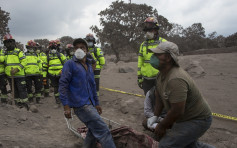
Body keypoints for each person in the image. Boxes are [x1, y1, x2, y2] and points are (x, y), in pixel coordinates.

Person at [148, 41, 214, 148]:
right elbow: (159, 96)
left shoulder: (176, 78)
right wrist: (155, 116)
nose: (153, 57)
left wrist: (162, 125)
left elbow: (177, 110)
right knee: (186, 144)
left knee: (165, 146)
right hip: (184, 118)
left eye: (157, 54)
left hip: (197, 119)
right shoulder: (161, 74)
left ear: (168, 58)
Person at [59, 38, 116, 148]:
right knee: (104, 130)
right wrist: (66, 107)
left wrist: (97, 103)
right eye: (76, 48)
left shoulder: (89, 66)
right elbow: (63, 85)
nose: (79, 50)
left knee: (93, 131)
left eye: (82, 47)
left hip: (89, 104)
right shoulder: (69, 64)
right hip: (80, 105)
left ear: (87, 50)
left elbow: (93, 86)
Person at [137, 17, 167, 95]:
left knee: (162, 102)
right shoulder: (143, 45)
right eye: (146, 31)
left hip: (160, 78)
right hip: (146, 80)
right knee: (149, 101)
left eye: (150, 30)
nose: (148, 33)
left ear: (156, 30)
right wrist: (139, 77)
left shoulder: (163, 43)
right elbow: (140, 61)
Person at [3, 34, 29, 109]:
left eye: (10, 42)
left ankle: (25, 104)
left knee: (22, 90)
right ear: (5, 44)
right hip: (10, 76)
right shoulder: (5, 53)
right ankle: (18, 104)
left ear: (13, 43)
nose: (9, 44)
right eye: (7, 42)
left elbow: (24, 61)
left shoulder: (18, 52)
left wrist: (17, 69)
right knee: (14, 91)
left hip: (19, 75)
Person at [44, 40, 66, 107]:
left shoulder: (60, 55)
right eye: (51, 48)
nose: (53, 49)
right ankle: (57, 101)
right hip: (52, 75)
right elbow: (44, 67)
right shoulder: (47, 57)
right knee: (55, 88)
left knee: (62, 87)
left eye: (54, 48)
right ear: (49, 48)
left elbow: (66, 64)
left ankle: (64, 100)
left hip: (60, 74)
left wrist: (65, 72)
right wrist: (44, 76)